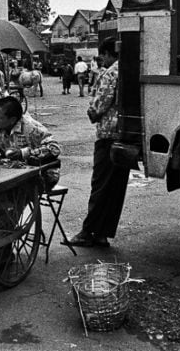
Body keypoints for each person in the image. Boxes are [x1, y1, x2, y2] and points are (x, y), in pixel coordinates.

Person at [68, 37, 127, 248]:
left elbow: (98, 106)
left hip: (107, 135)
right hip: (125, 134)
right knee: (115, 188)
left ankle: (88, 232)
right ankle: (102, 234)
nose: (102, 60)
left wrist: (91, 112)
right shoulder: (129, 69)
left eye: (103, 56)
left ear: (110, 54)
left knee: (100, 185)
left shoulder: (110, 73)